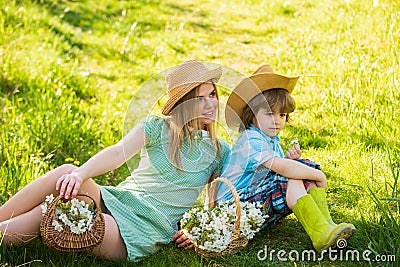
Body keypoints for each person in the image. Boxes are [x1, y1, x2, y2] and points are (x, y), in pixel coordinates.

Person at [0, 60, 230, 261]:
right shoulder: (157, 127)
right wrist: (80, 174)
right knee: (67, 171)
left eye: (212, 95)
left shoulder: (219, 151)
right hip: (116, 200)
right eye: (200, 98)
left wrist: (198, 228)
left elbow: (227, 198)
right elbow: (118, 153)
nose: (211, 104)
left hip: (141, 229)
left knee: (53, 212)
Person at [217, 64, 356, 252]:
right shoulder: (251, 140)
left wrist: (293, 161)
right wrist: (317, 174)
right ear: (251, 114)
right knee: (292, 172)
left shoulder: (271, 141)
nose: (277, 120)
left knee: (297, 170)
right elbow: (282, 170)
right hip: (233, 213)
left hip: (252, 210)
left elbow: (282, 171)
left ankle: (326, 226)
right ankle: (321, 232)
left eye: (282, 114)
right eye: (269, 114)